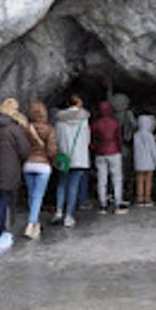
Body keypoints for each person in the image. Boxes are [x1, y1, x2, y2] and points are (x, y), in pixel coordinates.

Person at [0, 98, 30, 250]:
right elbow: (24, 150)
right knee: (4, 201)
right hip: (10, 170)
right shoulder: (14, 128)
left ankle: (1, 230)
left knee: (0, 199)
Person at [52, 95, 90, 227]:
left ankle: (58, 212)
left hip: (64, 157)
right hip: (79, 157)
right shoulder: (84, 120)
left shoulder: (60, 120)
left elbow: (56, 139)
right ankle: (69, 216)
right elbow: (87, 140)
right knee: (74, 186)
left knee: (62, 184)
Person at [23, 101, 57, 239]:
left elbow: (23, 147)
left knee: (32, 195)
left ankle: (35, 224)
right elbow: (52, 150)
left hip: (28, 164)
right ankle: (31, 224)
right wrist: (51, 160)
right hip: (43, 165)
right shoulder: (49, 129)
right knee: (38, 196)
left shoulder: (27, 128)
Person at [91, 100, 128, 214]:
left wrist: (94, 148)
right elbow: (119, 138)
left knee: (102, 179)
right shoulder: (115, 123)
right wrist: (120, 149)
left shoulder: (95, 124)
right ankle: (118, 203)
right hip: (114, 151)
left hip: (100, 152)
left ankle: (103, 205)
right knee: (117, 178)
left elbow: (92, 138)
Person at [133, 114, 156, 206]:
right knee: (148, 181)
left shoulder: (136, 135)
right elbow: (153, 150)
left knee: (139, 181)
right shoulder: (150, 136)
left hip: (139, 162)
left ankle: (139, 198)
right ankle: (147, 198)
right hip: (149, 162)